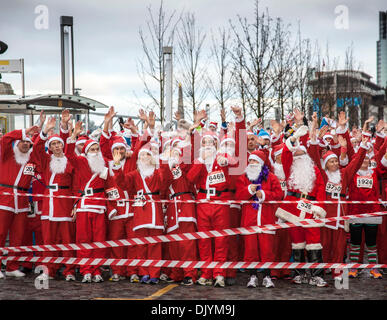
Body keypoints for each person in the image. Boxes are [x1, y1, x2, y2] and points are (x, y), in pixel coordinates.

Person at [275, 125, 328, 287]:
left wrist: (318, 207)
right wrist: (292, 139)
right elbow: (285, 154)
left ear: (306, 155)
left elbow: (320, 188)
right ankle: (299, 273)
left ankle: (316, 275)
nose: (298, 154)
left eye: (301, 152)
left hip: (311, 208)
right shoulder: (289, 167)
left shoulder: (314, 170)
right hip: (293, 209)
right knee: (296, 241)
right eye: (295, 152)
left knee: (314, 241)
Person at [66, 120, 118, 283]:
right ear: (87, 152)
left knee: (99, 241)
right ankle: (86, 270)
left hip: (99, 207)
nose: (95, 152)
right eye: (92, 149)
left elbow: (110, 188)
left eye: (97, 149)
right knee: (83, 240)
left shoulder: (104, 167)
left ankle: (96, 271)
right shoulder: (81, 162)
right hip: (83, 207)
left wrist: (112, 207)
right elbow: (69, 155)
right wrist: (73, 136)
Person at [33, 114, 76, 281]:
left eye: (59, 143)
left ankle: (69, 270)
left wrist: (65, 125)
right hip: (49, 203)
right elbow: (36, 149)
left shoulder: (69, 159)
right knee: (48, 241)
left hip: (64, 203)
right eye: (54, 144)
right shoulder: (45, 160)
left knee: (67, 240)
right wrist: (44, 131)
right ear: (50, 147)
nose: (57, 146)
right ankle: (49, 270)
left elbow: (75, 183)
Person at [235, 150, 282, 288]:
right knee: (250, 250)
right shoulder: (243, 178)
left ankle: (267, 276)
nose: (251, 163)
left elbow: (279, 194)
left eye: (254, 161)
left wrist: (264, 195)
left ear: (261, 163)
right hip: (249, 220)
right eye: (250, 161)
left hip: (267, 219)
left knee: (267, 250)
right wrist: (249, 190)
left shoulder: (271, 178)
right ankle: (252, 276)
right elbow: (238, 196)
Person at [0, 124, 40, 278]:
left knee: (18, 236)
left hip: (22, 202)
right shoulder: (7, 154)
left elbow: (40, 147)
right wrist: (25, 132)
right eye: (22, 141)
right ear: (17, 143)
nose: (25, 144)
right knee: (1, 233)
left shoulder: (31, 159)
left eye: (28, 142)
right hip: (5, 198)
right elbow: (5, 139)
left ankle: (12, 266)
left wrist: (41, 132)